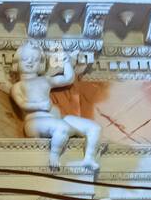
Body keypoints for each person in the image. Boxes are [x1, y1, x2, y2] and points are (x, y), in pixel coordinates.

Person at [9, 42, 102, 171]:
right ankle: (53, 157)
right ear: (17, 62)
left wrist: (65, 61)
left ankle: (88, 159)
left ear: (40, 63)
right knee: (62, 128)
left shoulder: (45, 80)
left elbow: (68, 78)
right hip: (35, 121)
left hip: (54, 119)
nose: (30, 62)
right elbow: (22, 104)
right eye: (25, 59)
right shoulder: (18, 86)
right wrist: (41, 105)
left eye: (35, 59)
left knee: (94, 128)